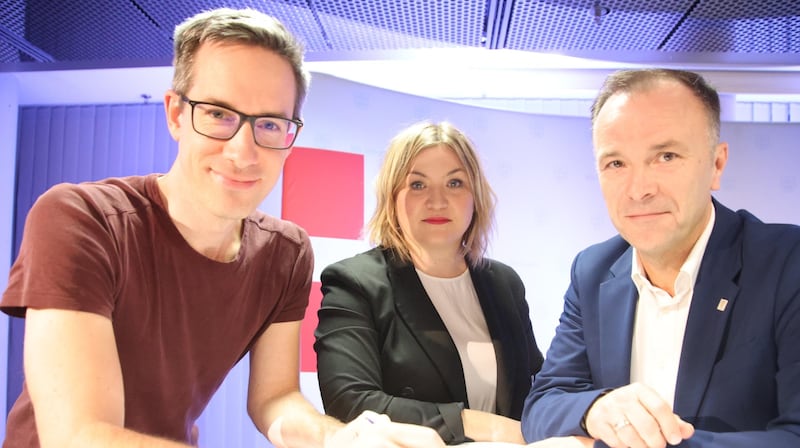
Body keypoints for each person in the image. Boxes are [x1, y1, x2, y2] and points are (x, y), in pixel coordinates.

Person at [0, 8, 445, 448]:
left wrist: (339, 439)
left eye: (270, 124)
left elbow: (276, 399)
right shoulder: (82, 219)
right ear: (176, 114)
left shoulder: (284, 253)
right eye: (218, 114)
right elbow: (78, 436)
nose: (242, 152)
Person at [521, 68, 800, 447]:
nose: (638, 190)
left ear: (716, 165)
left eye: (665, 156)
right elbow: (542, 407)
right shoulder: (593, 271)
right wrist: (597, 409)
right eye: (616, 163)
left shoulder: (787, 263)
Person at [314, 121, 545, 445]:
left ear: (476, 196)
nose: (437, 200)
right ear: (392, 196)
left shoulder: (504, 283)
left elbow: (535, 384)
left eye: (455, 182)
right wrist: (478, 425)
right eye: (418, 185)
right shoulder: (354, 283)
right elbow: (352, 402)